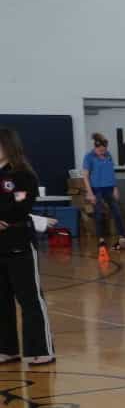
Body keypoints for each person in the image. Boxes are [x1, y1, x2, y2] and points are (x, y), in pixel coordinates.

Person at [0, 129, 52, 364]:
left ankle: (40, 349)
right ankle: (7, 348)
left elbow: (19, 205)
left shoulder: (23, 176)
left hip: (18, 243)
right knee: (2, 300)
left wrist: (4, 218)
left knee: (29, 298)